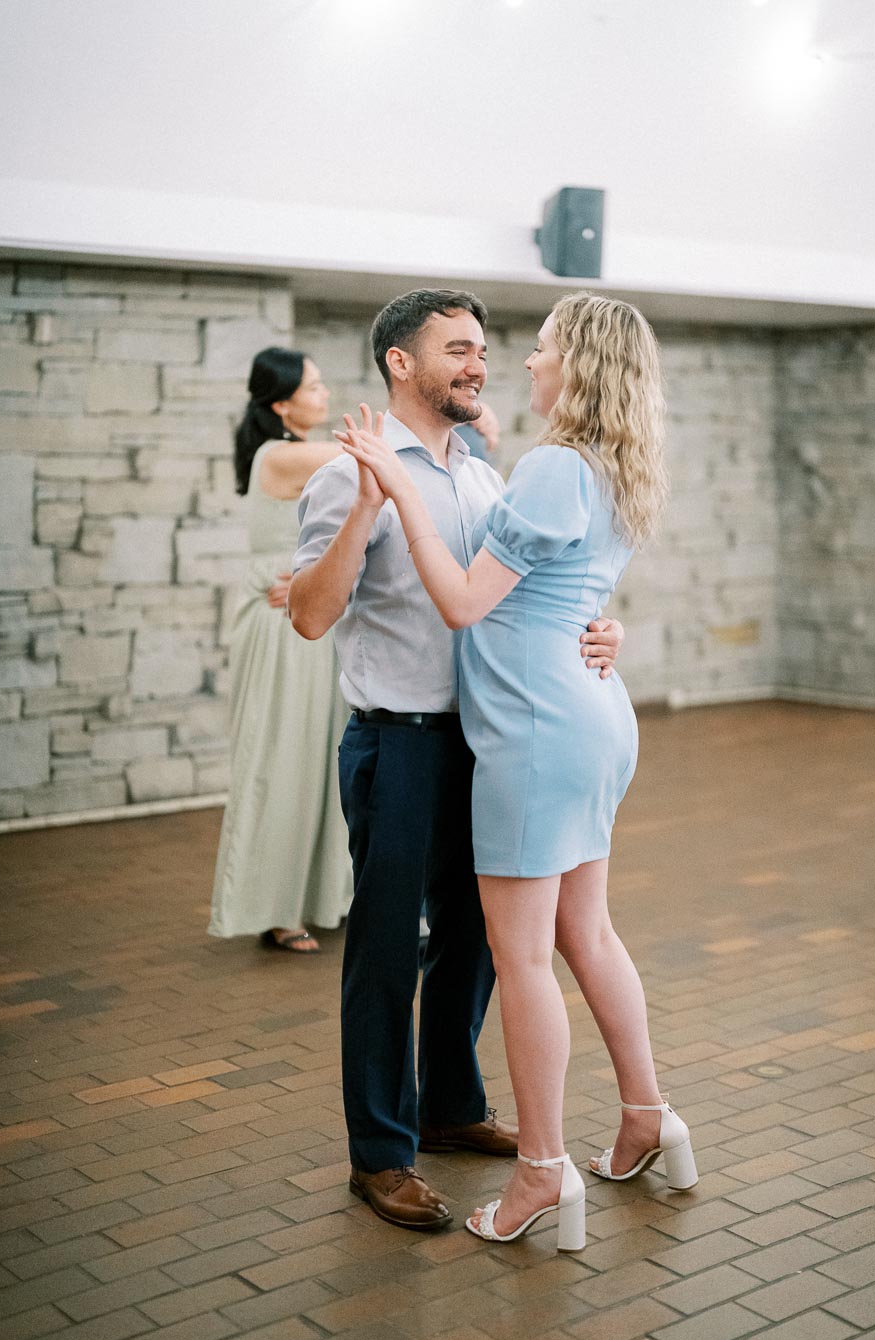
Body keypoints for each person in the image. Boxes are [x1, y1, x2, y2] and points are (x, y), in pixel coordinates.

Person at [336, 292, 698, 1252]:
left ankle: (543, 1173)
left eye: (535, 349)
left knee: (526, 955)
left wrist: (398, 489)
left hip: (536, 731)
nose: (518, 365)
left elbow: (461, 602)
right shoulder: (612, 466)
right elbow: (566, 590)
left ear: (575, 364)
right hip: (589, 714)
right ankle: (647, 1115)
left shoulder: (544, 468)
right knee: (587, 931)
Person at [288, 289, 625, 1231]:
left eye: (484, 348)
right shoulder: (345, 472)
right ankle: (381, 1154)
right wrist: (363, 508)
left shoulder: (482, 473)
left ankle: (450, 1107)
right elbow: (312, 614)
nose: (480, 364)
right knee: (390, 954)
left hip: (490, 746)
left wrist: (600, 627)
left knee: (479, 946)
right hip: (396, 744)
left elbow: (520, 593)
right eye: (459, 349)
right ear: (402, 362)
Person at [208, 348, 352, 954]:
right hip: (279, 618)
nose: (325, 395)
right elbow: (371, 457)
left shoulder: (293, 449)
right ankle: (274, 909)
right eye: (314, 387)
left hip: (309, 608)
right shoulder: (283, 454)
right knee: (283, 758)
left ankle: (322, 896)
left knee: (323, 760)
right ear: (281, 403)